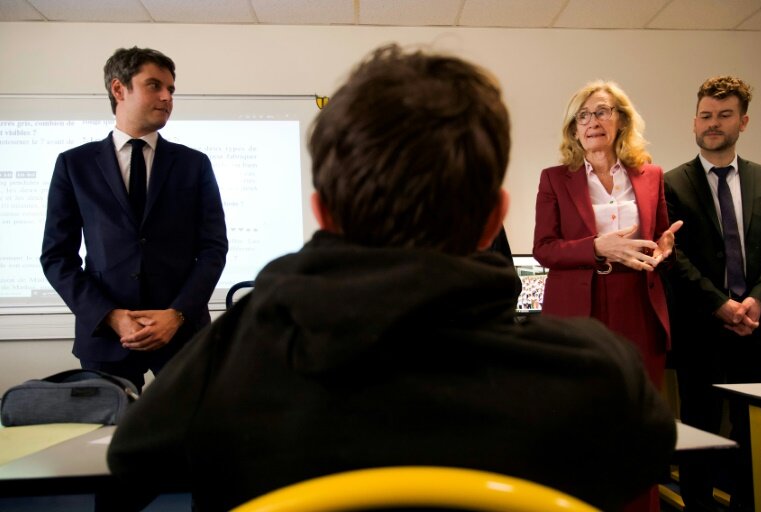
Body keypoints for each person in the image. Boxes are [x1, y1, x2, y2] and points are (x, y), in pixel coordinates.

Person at [107, 45, 675, 512]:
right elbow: (639, 466)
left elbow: (132, 460)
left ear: (323, 215)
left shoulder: (228, 358)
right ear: (493, 220)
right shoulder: (595, 373)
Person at [40, 47, 228, 392]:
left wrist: (178, 314)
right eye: (154, 85)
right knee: (108, 440)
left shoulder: (194, 164)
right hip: (107, 337)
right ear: (118, 89)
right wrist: (110, 316)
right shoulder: (74, 165)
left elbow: (214, 249)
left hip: (182, 333)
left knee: (191, 436)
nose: (166, 97)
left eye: (171, 89)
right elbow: (56, 257)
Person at [532, 80, 682, 512]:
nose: (592, 121)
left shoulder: (650, 175)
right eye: (583, 115)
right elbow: (544, 248)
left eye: (602, 111)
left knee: (637, 425)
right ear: (573, 130)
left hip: (638, 302)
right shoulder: (554, 180)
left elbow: (660, 242)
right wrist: (598, 247)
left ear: (621, 121)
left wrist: (664, 251)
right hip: (579, 310)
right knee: (580, 421)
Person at [665, 75, 761, 512]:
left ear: (743, 122)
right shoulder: (671, 184)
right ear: (694, 122)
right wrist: (719, 305)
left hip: (758, 329)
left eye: (724, 115)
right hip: (700, 332)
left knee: (755, 436)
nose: (713, 123)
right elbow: (674, 258)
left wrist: (757, 297)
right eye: (706, 115)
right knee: (699, 433)